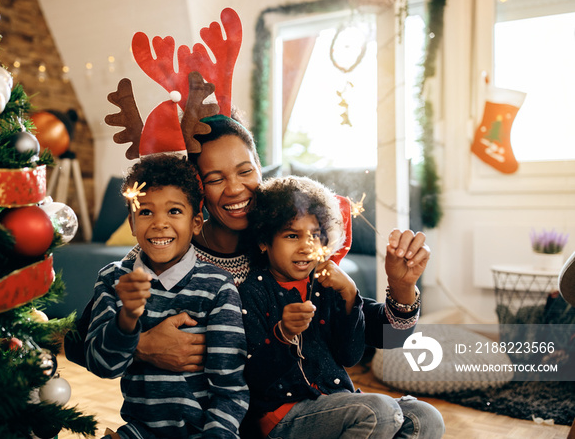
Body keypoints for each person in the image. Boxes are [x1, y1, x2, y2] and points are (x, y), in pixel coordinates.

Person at [134, 115, 426, 369]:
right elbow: (87, 340)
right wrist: (140, 346)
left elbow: (389, 336)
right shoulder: (166, 251)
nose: (235, 188)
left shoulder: (289, 248)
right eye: (214, 179)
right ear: (197, 186)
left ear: (261, 168)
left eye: (245, 171)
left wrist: (402, 287)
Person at [238, 175, 444, 438]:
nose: (306, 247)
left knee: (426, 417)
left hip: (336, 407)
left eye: (316, 235)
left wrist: (351, 294)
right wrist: (283, 334)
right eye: (292, 235)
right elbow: (254, 379)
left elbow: (353, 354)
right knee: (379, 411)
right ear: (264, 241)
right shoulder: (252, 292)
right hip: (282, 421)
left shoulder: (329, 286)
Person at [84, 154, 249, 438]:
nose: (159, 223)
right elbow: (102, 366)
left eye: (174, 211)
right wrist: (126, 321)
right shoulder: (112, 279)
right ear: (132, 223)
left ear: (196, 222)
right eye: (146, 212)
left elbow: (230, 388)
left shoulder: (218, 286)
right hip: (139, 431)